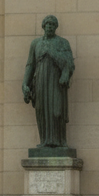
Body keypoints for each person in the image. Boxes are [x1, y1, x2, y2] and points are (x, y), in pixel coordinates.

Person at [22, 14, 74, 148]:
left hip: (56, 82)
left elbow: (69, 63)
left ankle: (60, 142)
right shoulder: (36, 43)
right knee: (41, 109)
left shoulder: (62, 42)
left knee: (57, 112)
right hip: (40, 81)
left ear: (56, 27)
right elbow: (30, 65)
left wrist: (52, 52)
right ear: (43, 26)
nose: (50, 27)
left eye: (52, 25)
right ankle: (44, 141)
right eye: (48, 24)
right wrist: (25, 83)